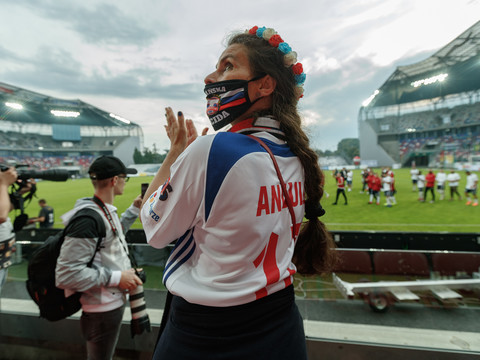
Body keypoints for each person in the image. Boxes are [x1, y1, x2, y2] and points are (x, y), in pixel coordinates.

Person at [140, 26, 335, 360]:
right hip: (282, 325)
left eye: (227, 66)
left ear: (265, 84)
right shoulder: (297, 157)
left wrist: (175, 153)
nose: (209, 77)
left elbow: (154, 230)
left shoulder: (211, 149)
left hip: (205, 333)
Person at [56, 155, 143, 360]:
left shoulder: (102, 210)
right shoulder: (88, 218)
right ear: (114, 180)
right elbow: (66, 275)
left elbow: (112, 236)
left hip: (108, 304)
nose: (124, 182)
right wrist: (117, 278)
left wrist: (133, 210)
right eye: (124, 178)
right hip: (101, 309)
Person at [0, 167, 19, 295]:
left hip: (2, 261)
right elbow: (1, 216)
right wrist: (4, 184)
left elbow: (5, 209)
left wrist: (21, 191)